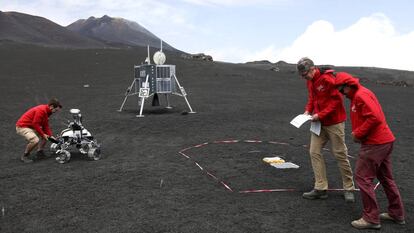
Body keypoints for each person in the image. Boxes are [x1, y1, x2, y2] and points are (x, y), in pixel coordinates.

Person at [335, 73, 405, 229]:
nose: (342, 95)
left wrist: (358, 133)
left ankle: (371, 218)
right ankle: (397, 213)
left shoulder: (360, 96)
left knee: (363, 178)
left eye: (342, 91)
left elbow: (374, 117)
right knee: (386, 178)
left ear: (348, 85)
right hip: (384, 140)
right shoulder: (362, 93)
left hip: (375, 144)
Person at [296, 57, 355, 202]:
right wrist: (307, 112)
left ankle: (349, 188)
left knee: (340, 154)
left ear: (312, 68)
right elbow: (312, 98)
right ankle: (320, 188)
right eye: (302, 76)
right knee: (314, 152)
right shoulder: (309, 81)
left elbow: (336, 101)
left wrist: (320, 115)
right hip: (318, 123)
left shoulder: (327, 79)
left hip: (334, 122)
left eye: (305, 75)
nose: (305, 78)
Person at [16, 98, 62, 163]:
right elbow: (35, 123)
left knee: (47, 136)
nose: (55, 112)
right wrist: (43, 134)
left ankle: (39, 152)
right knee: (35, 140)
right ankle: (25, 155)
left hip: (31, 126)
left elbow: (45, 125)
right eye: (55, 110)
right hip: (23, 127)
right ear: (51, 106)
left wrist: (50, 136)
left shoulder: (47, 111)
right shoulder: (41, 110)